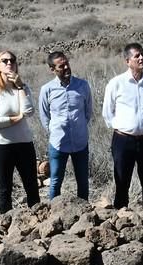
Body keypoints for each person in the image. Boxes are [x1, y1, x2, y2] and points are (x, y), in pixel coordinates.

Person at [102, 43, 143, 209]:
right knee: (122, 184)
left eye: (142, 54)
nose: (141, 58)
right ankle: (121, 220)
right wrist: (122, 127)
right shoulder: (116, 83)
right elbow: (107, 112)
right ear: (127, 61)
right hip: (123, 141)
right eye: (137, 56)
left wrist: (142, 126)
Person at [0, 50, 40, 213]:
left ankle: (38, 220)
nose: (9, 63)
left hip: (24, 144)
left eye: (12, 60)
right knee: (5, 188)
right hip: (1, 146)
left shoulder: (23, 87)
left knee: (31, 186)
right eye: (5, 61)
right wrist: (17, 118)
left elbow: (29, 112)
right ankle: (6, 223)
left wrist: (20, 86)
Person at [38, 51, 93, 200]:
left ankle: (85, 215)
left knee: (82, 182)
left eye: (67, 63)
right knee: (56, 181)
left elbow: (88, 112)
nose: (66, 67)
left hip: (80, 142)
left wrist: (78, 126)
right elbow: (44, 116)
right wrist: (54, 130)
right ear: (52, 70)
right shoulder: (47, 89)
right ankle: (53, 214)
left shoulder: (82, 85)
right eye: (61, 66)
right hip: (58, 143)